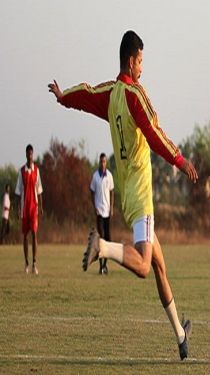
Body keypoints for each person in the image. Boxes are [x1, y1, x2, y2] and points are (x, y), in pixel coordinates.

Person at [48, 30, 198, 360]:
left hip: (128, 193)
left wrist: (63, 97)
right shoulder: (133, 94)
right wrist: (180, 159)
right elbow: (155, 134)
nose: (143, 68)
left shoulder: (112, 93)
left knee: (160, 265)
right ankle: (102, 247)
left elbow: (86, 94)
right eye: (142, 61)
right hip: (141, 191)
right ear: (131, 61)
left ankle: (180, 334)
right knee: (145, 265)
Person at [15, 144, 43, 275]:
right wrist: (17, 208)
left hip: (34, 208)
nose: (29, 156)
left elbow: (40, 191)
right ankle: (26, 262)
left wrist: (41, 207)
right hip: (25, 208)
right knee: (25, 235)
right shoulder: (21, 171)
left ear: (33, 154)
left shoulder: (36, 170)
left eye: (31, 153)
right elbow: (18, 192)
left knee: (35, 234)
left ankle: (34, 263)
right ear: (26, 154)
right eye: (28, 154)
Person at [90, 153, 114, 275]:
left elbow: (112, 192)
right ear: (99, 162)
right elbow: (92, 192)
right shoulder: (95, 177)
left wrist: (112, 208)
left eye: (104, 161)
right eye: (101, 161)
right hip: (99, 211)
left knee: (108, 239)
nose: (102, 163)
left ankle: (105, 265)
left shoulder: (109, 176)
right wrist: (95, 207)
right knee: (101, 238)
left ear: (106, 162)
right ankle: (100, 266)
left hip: (107, 211)